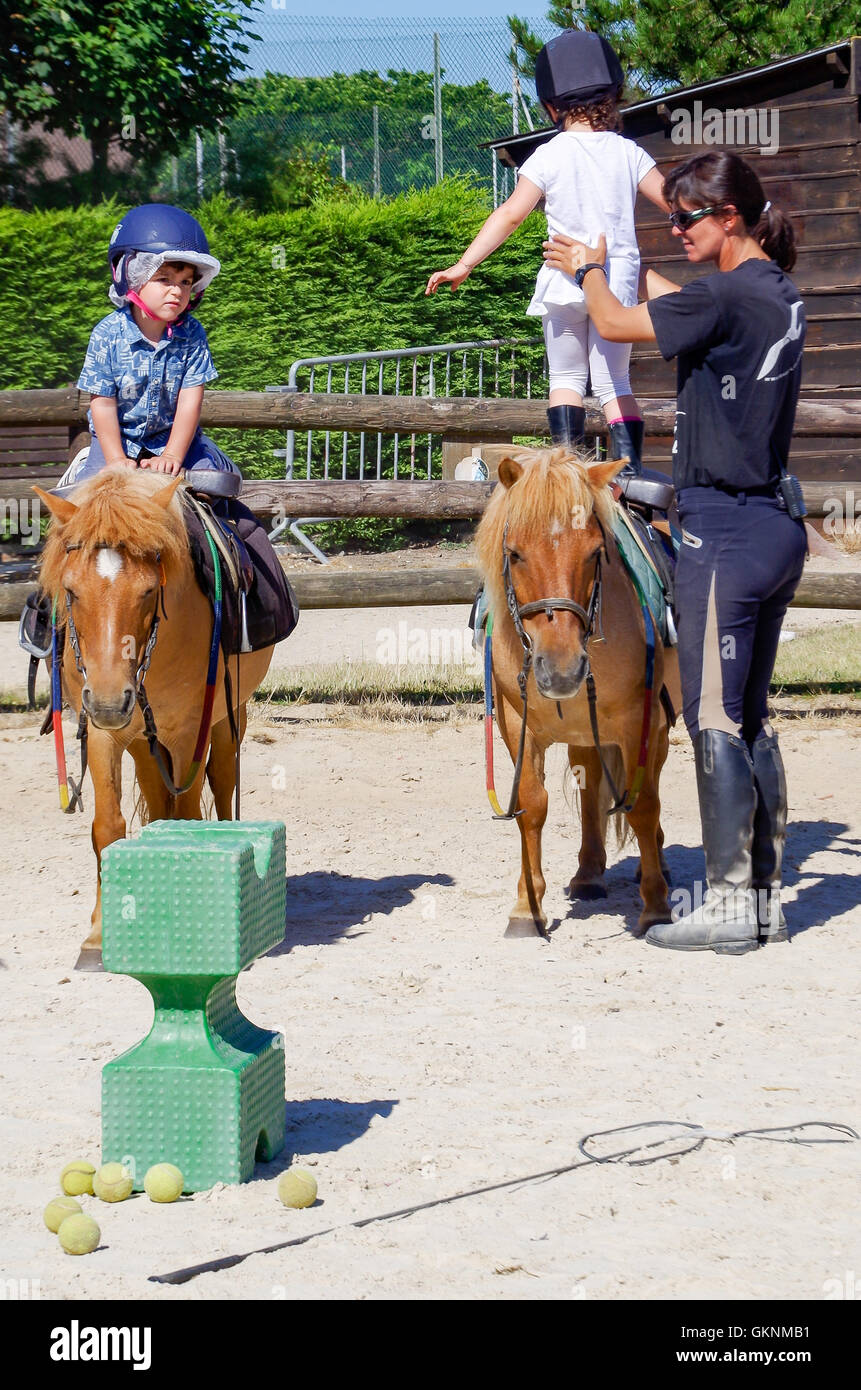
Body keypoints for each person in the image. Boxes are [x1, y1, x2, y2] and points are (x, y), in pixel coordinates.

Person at [544, 150, 807, 955]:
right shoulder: (770, 293)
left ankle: (729, 907)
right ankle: (760, 895)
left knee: (714, 720)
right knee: (750, 716)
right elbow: (679, 306)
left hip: (723, 532)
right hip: (772, 525)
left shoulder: (727, 293)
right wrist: (630, 267)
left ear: (728, 218)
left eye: (686, 218)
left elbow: (622, 325)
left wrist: (590, 272)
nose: (674, 227)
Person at [425, 29, 669, 475]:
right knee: (616, 382)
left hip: (564, 277)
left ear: (551, 107)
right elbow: (673, 198)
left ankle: (569, 473)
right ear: (613, 96)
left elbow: (511, 214)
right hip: (614, 281)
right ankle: (630, 476)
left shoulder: (547, 155)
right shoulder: (629, 152)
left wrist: (464, 264)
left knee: (567, 380)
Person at [63, 203, 239, 486]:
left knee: (215, 489)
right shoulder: (107, 334)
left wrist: (172, 454)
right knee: (85, 498)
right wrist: (116, 459)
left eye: (185, 282)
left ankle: (244, 530)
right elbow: (103, 404)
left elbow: (189, 403)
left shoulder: (192, 334)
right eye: (164, 279)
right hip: (115, 441)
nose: (177, 290)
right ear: (132, 278)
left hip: (175, 441)